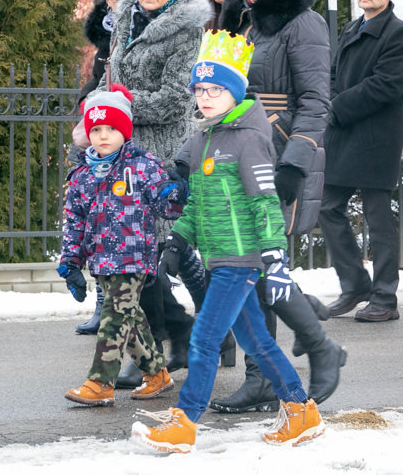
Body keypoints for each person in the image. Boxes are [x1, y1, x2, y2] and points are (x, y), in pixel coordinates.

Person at [132, 30, 324, 453]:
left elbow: (265, 201)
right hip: (218, 255)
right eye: (199, 89)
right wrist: (176, 244)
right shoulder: (204, 138)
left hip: (242, 258)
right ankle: (301, 409)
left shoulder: (249, 138)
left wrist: (275, 259)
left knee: (204, 338)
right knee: (256, 340)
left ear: (234, 91)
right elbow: (197, 205)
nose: (205, 97)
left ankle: (185, 421)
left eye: (215, 89)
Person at [212, 0, 345, 413]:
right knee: (247, 268)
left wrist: (294, 162)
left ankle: (288, 363)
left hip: (278, 153)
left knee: (256, 266)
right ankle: (283, 358)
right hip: (236, 152)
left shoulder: (302, 23)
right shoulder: (244, 23)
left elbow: (315, 101)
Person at [80, 0, 213, 389]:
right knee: (139, 255)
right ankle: (170, 341)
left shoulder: (186, 30)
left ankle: (159, 347)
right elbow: (110, 77)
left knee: (149, 254)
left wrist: (122, 107)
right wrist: (98, 108)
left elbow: (179, 97)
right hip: (121, 151)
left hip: (158, 151)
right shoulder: (124, 19)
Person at [60, 87, 187, 406]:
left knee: (114, 315)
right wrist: (70, 263)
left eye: (112, 129)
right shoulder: (82, 175)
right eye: (97, 129)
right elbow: (74, 222)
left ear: (125, 131)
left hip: (133, 258)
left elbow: (166, 207)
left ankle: (100, 381)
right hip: (101, 260)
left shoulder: (143, 166)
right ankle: (157, 373)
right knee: (130, 317)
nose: (104, 136)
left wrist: (175, 193)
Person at [319, 0, 403, 322]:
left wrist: (338, 107)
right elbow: (331, 73)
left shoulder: (400, 33)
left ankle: (385, 297)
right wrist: (330, 102)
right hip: (343, 132)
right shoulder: (350, 27)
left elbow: (386, 85)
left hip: (376, 137)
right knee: (328, 208)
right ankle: (355, 284)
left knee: (378, 220)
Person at [72, 0, 138, 335]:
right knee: (100, 226)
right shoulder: (106, 37)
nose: (119, 3)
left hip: (134, 140)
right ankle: (102, 304)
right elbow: (97, 82)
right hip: (104, 140)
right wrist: (88, 105)